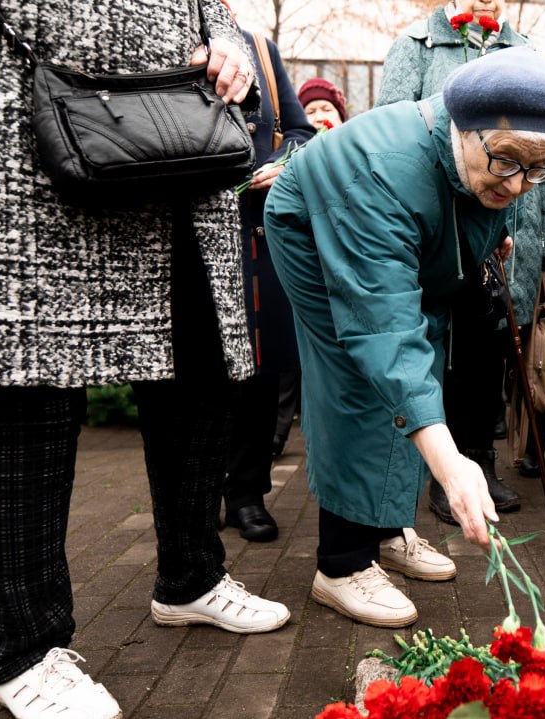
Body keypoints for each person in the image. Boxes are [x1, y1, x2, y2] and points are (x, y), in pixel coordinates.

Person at [0, 3, 290, 717]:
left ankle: (191, 579)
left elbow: (214, 6)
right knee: (24, 382)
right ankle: (25, 648)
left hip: (172, 140)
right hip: (8, 124)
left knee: (201, 372)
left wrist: (227, 44)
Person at [265, 48, 545, 628]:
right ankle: (340, 564)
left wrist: (490, 239)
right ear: (465, 129)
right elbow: (382, 331)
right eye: (508, 165)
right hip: (317, 227)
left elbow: (492, 186)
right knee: (361, 378)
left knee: (428, 352)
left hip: (423, 231)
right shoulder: (381, 170)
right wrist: (452, 466)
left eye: (537, 172)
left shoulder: (487, 151)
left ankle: (388, 529)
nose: (518, 187)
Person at [376, 0, 545, 522]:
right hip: (444, 232)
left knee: (489, 350)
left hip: (509, 230)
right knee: (445, 351)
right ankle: (442, 469)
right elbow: (396, 130)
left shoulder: (526, 51)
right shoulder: (415, 45)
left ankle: (482, 460)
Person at [221, 30, 316, 543]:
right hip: (183, 232)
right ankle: (195, 496)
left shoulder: (259, 48)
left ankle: (247, 496)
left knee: (258, 374)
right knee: (195, 375)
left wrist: (283, 163)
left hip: (253, 237)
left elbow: (301, 132)